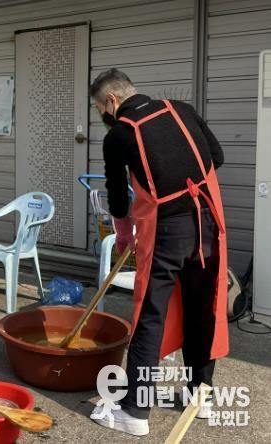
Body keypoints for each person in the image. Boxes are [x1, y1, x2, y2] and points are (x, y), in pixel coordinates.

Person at [88, 69, 229, 436]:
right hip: (208, 227)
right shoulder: (181, 109)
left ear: (112, 101)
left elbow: (118, 196)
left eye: (99, 108)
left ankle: (133, 412)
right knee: (202, 308)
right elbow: (216, 156)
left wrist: (123, 235)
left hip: (167, 231)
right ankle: (200, 395)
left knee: (150, 317)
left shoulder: (119, 135)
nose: (103, 115)